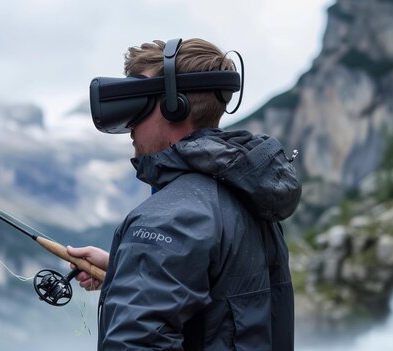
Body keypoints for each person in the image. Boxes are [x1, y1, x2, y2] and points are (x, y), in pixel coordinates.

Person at [67, 38, 301, 350]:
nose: (130, 124)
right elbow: (220, 311)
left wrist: (147, 260)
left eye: (138, 103)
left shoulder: (170, 218)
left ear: (174, 106)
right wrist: (132, 270)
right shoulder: (249, 197)